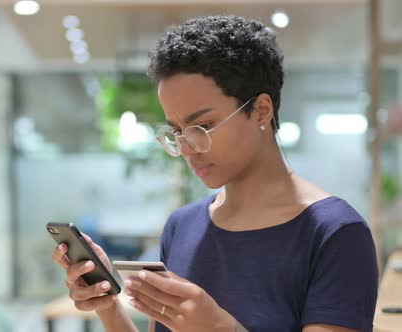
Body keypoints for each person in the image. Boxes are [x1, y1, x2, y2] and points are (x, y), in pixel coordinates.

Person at [52, 15, 378, 332]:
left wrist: (222, 328)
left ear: (261, 111)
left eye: (203, 126)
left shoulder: (335, 233)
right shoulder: (183, 226)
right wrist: (107, 305)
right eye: (177, 131)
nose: (188, 148)